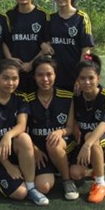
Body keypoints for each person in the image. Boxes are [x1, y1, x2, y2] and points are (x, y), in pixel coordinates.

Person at [0, 59, 50, 206]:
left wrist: (8, 135)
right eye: (5, 78)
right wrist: (7, 165)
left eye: (15, 78)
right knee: (19, 194)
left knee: (24, 137)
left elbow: (22, 125)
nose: (10, 83)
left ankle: (31, 187)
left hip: (15, 149)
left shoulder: (21, 97)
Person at [70, 54, 105, 204]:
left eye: (91, 78)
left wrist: (87, 145)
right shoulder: (76, 97)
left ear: (98, 78)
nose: (87, 82)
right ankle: (97, 166)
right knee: (75, 173)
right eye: (82, 78)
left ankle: (100, 184)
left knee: (90, 138)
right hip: (88, 141)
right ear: (77, 80)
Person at [27, 55, 79, 200]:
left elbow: (70, 127)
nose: (45, 79)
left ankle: (67, 180)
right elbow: (23, 131)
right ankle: (56, 167)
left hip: (62, 144)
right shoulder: (27, 99)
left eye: (49, 74)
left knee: (54, 143)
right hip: (40, 150)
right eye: (40, 75)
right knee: (43, 187)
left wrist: (60, 132)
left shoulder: (67, 97)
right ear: (34, 77)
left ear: (55, 75)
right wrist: (35, 150)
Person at [46, 0, 94, 91]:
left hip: (74, 78)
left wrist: (81, 77)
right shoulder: (50, 19)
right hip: (55, 78)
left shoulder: (81, 18)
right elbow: (46, 45)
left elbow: (86, 51)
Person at [5, 0, 51, 93]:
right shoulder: (9, 15)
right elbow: (4, 41)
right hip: (15, 69)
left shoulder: (42, 15)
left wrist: (31, 64)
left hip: (36, 69)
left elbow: (47, 45)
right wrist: (10, 59)